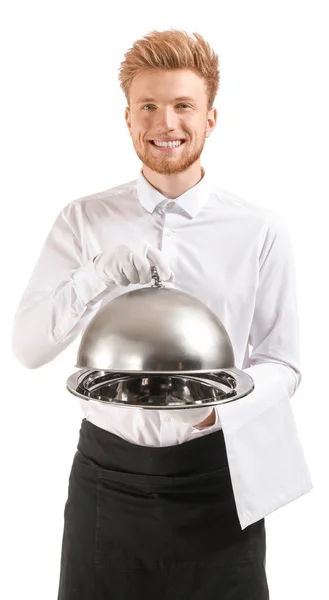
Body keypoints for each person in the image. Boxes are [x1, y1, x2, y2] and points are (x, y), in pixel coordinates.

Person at [12, 29, 312, 600]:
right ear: (128, 119)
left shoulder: (259, 228)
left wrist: (219, 406)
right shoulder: (83, 219)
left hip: (221, 476)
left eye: (182, 106)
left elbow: (284, 363)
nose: (165, 123)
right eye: (148, 106)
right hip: (108, 477)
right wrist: (93, 274)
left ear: (211, 118)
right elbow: (27, 349)